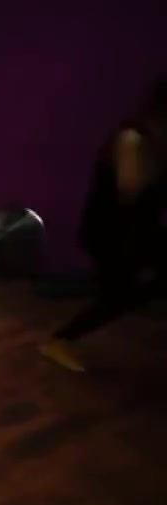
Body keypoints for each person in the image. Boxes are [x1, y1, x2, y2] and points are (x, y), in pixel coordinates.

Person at [40, 76, 167, 372]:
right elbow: (130, 186)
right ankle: (58, 341)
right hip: (113, 233)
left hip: (138, 231)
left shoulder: (157, 139)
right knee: (120, 295)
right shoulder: (133, 137)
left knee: (134, 290)